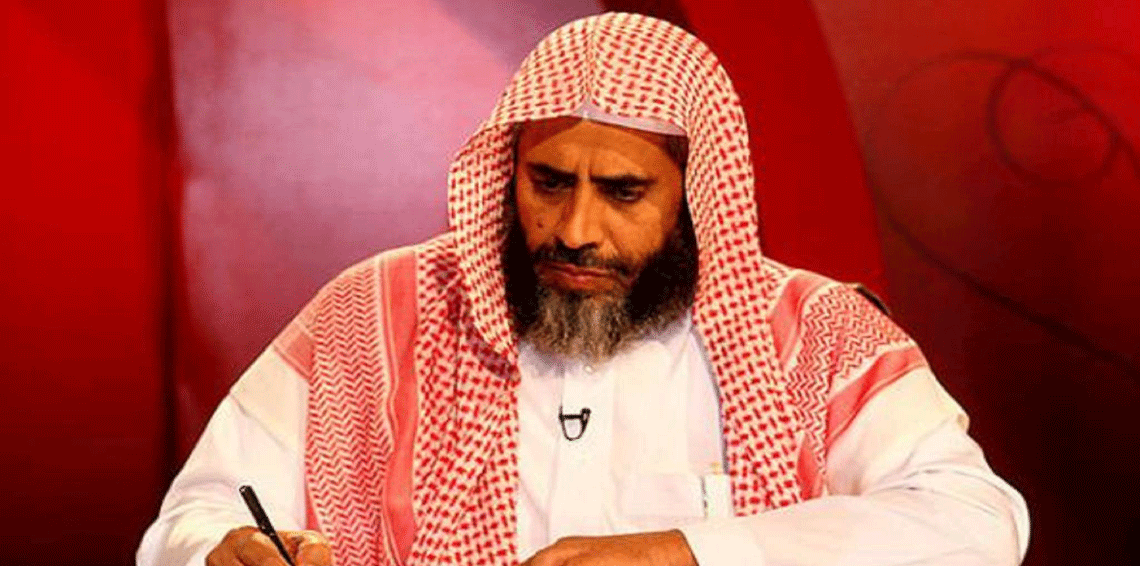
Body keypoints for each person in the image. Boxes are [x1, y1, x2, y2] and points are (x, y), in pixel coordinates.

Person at [138, 13, 1029, 566]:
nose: (574, 229)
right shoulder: (375, 315)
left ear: (697, 195)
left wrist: (686, 552)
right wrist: (221, 552)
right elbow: (199, 514)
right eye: (550, 181)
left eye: (624, 193)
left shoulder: (815, 336)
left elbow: (975, 522)